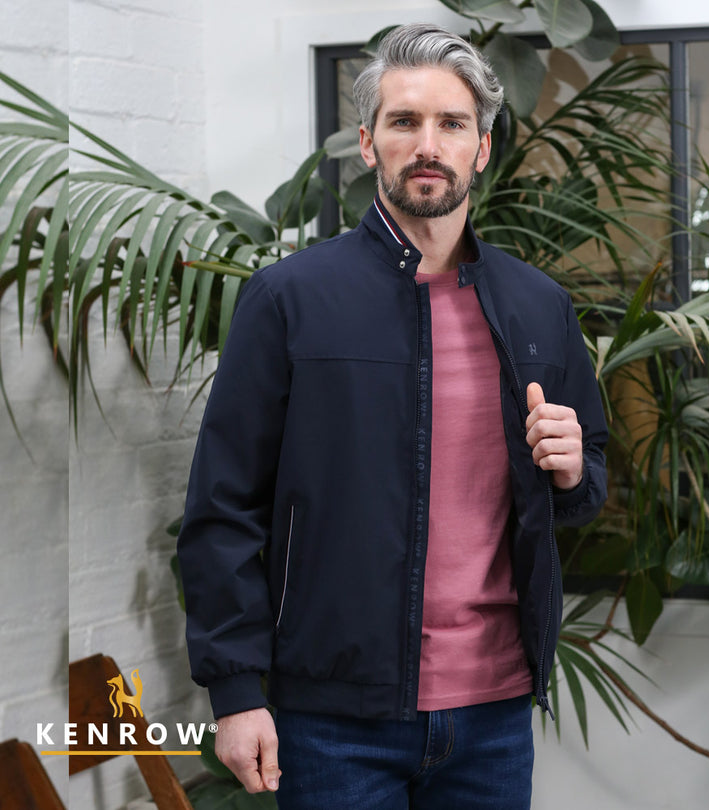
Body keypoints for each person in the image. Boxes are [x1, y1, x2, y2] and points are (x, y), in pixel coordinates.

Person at [178, 22, 608, 810]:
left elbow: (585, 485)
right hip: (333, 719)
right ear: (368, 143)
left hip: (494, 715)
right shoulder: (290, 299)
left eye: (452, 123)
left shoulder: (538, 306)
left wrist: (574, 467)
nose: (428, 145)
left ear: (483, 147)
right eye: (404, 121)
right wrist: (235, 692)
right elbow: (222, 508)